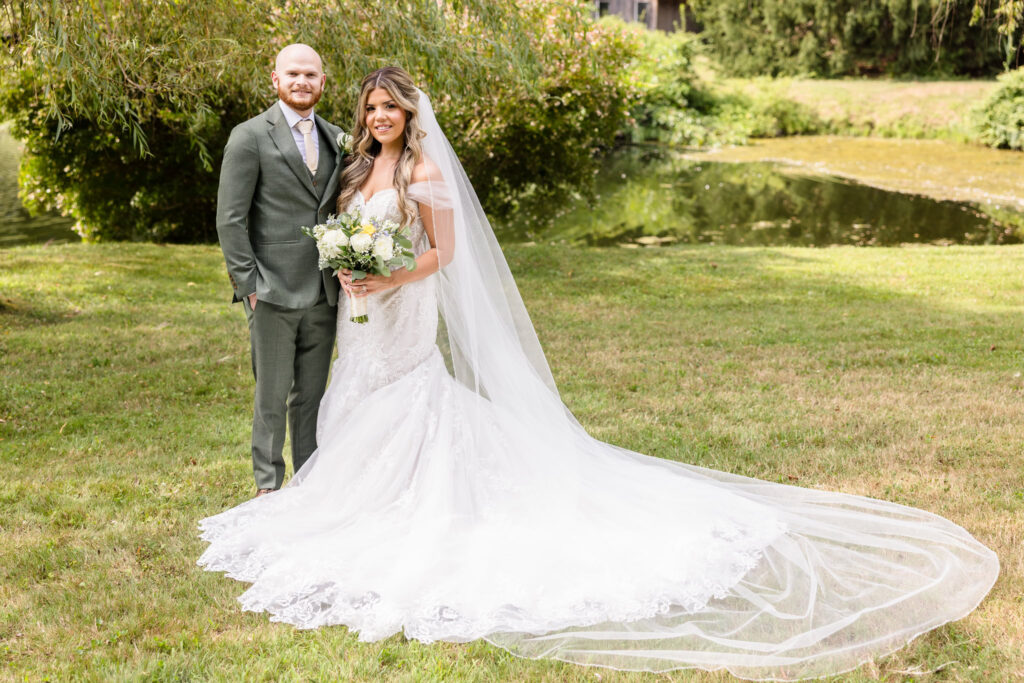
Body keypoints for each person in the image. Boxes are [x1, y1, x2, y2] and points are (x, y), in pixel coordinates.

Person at [199, 67, 999, 680]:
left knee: (413, 399)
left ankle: (408, 499)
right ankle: (348, 497)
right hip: (365, 318)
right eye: (371, 108)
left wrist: (391, 274)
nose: (377, 119)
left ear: (410, 115)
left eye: (390, 109)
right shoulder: (353, 170)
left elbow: (444, 252)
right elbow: (341, 231)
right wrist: (351, 268)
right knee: (358, 395)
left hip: (406, 310)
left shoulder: (426, 175)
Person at [216, 44, 344, 497]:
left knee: (311, 396)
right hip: (270, 290)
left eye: (311, 74)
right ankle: (268, 486)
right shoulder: (249, 136)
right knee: (271, 395)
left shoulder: (336, 137)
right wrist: (249, 286)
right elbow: (229, 219)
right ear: (275, 79)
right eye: (293, 73)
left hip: (326, 292)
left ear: (322, 83)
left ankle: (308, 482)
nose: (301, 82)